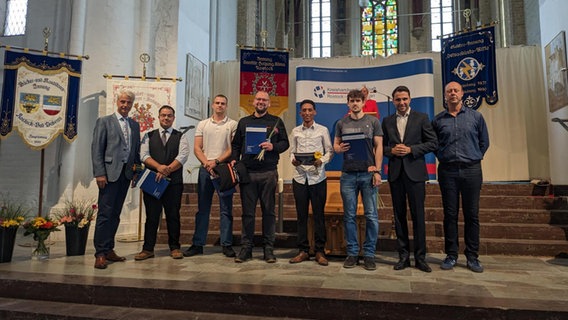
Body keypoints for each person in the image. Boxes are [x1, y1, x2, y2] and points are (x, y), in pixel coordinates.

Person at [432, 81, 490, 273]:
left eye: (456, 90)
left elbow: (484, 142)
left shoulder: (476, 117)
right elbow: (434, 144)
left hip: (472, 170)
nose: (453, 93)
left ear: (462, 94)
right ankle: (451, 255)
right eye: (449, 91)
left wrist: (475, 156)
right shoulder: (438, 120)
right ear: (445, 95)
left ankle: (472, 257)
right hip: (448, 171)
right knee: (450, 214)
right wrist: (443, 156)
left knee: (472, 214)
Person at [382, 86, 437, 273]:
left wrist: (412, 150)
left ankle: (420, 258)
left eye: (404, 99)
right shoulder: (387, 121)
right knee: (399, 216)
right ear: (393, 101)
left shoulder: (421, 118)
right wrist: (392, 151)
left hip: (415, 174)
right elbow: (382, 147)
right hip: (396, 174)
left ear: (410, 99)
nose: (402, 103)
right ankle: (403, 256)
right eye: (398, 100)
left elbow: (432, 143)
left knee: (418, 215)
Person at [230, 91, 289, 263]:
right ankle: (246, 249)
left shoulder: (276, 122)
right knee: (248, 214)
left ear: (269, 103)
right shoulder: (244, 122)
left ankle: (268, 250)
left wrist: (273, 146)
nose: (261, 102)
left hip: (268, 173)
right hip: (247, 174)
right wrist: (234, 160)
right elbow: (235, 146)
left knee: (269, 213)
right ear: (253, 102)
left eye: (264, 100)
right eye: (258, 99)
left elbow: (285, 143)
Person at [333, 89, 383, 271]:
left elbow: (379, 147)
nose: (355, 103)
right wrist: (338, 149)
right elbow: (335, 146)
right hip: (348, 175)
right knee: (349, 216)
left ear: (364, 102)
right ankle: (352, 253)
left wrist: (377, 171)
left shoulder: (373, 121)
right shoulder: (341, 123)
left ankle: (369, 254)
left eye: (358, 100)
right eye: (351, 100)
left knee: (371, 215)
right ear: (347, 103)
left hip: (368, 174)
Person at [183, 94, 238, 258]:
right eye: (217, 103)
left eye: (223, 103)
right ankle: (198, 244)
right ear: (212, 105)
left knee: (226, 209)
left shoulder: (233, 124)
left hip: (224, 169)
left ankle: (226, 244)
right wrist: (207, 163)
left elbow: (231, 149)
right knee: (202, 209)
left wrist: (216, 161)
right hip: (205, 170)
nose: (220, 105)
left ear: (226, 106)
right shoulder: (203, 124)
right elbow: (197, 148)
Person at [91, 90, 141, 269]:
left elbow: (135, 151)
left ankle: (109, 249)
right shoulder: (104, 122)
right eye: (122, 101)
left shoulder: (134, 125)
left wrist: (136, 172)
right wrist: (99, 173)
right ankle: (100, 253)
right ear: (117, 101)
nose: (125, 105)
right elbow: (97, 149)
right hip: (108, 174)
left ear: (132, 104)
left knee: (116, 213)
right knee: (105, 214)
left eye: (128, 102)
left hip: (126, 175)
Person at [134, 105, 189, 261]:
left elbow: (183, 156)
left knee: (173, 215)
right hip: (153, 182)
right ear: (158, 117)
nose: (166, 118)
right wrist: (159, 167)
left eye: (169, 115)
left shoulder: (181, 136)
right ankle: (147, 249)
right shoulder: (148, 136)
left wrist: (167, 170)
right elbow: (143, 155)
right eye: (163, 115)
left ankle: (175, 247)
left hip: (174, 183)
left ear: (173, 118)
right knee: (152, 216)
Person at [288, 99, 333, 266]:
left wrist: (321, 160)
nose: (307, 113)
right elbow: (292, 152)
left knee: (319, 215)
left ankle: (320, 251)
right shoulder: (295, 131)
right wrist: (293, 159)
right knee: (301, 215)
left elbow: (329, 151)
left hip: (317, 177)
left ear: (315, 112)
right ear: (300, 113)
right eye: (304, 110)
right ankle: (303, 251)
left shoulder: (323, 130)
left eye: (310, 110)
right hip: (299, 177)